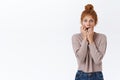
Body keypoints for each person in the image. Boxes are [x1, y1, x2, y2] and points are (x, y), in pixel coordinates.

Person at [72, 4, 107, 80]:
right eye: (85, 20)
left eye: (91, 20)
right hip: (81, 75)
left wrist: (91, 40)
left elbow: (97, 60)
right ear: (81, 22)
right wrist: (85, 39)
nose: (88, 24)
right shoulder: (75, 37)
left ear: (95, 22)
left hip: (97, 75)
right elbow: (81, 59)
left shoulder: (102, 37)